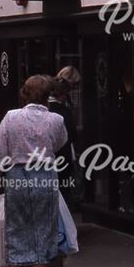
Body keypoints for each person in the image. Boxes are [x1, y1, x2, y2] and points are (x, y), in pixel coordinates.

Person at [0, 75, 68, 267]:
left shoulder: (11, 118)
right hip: (44, 177)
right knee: (43, 230)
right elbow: (59, 144)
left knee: (16, 230)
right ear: (48, 96)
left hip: (18, 177)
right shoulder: (56, 120)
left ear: (24, 93)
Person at [48, 66, 80, 205]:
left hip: (48, 155)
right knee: (63, 188)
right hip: (61, 154)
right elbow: (70, 134)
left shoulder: (50, 107)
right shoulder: (62, 110)